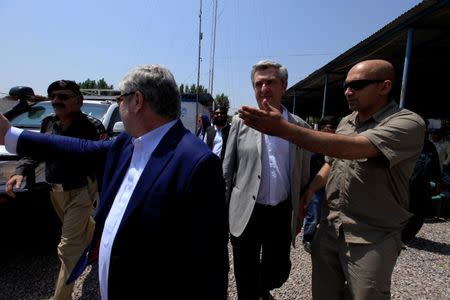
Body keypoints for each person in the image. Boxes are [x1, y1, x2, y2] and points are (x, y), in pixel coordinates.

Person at [0, 65, 229, 299]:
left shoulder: (197, 162)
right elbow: (80, 149)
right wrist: (10, 134)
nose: (119, 105)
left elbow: (211, 265)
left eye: (121, 98)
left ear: (137, 100)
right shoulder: (128, 143)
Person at [238, 59, 425, 299]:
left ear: (385, 86)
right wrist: (308, 192)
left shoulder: (406, 123)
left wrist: (284, 130)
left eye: (358, 85)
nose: (348, 91)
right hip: (330, 229)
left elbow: (355, 148)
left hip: (371, 235)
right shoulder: (347, 122)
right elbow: (331, 161)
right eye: (346, 85)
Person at [5, 80, 106, 300]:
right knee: (84, 231)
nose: (57, 101)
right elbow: (36, 150)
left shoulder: (92, 126)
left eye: (63, 96)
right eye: (54, 97)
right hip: (55, 192)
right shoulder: (48, 123)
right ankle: (99, 242)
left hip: (81, 192)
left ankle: (61, 297)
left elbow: (103, 160)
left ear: (78, 101)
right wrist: (19, 171)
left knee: (67, 248)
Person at [223, 60, 311, 300]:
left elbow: (303, 173)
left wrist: (300, 210)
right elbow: (227, 170)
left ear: (284, 85)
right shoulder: (241, 123)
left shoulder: (299, 126)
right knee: (244, 275)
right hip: (246, 211)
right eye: (258, 84)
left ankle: (262, 286)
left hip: (281, 213)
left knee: (278, 271)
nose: (264, 89)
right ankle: (252, 291)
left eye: (270, 82)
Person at [302, 115, 338, 254]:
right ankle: (308, 238)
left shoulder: (336, 145)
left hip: (330, 186)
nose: (331, 131)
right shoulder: (314, 145)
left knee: (326, 214)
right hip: (315, 186)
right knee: (314, 213)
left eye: (334, 129)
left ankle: (322, 238)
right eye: (328, 128)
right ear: (322, 129)